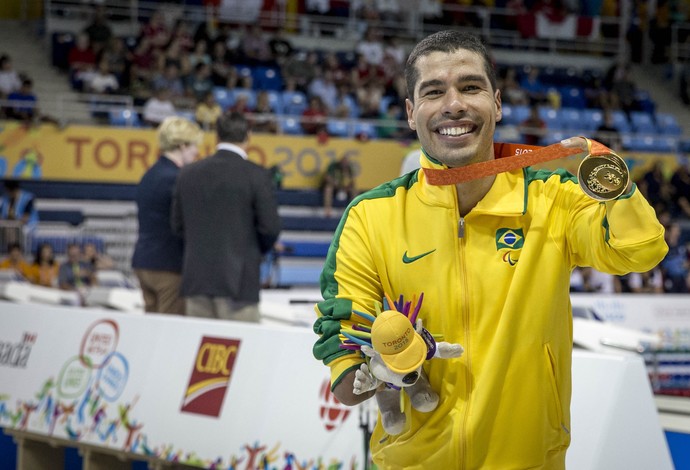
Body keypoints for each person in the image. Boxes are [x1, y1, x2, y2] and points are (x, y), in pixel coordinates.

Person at [312, 30, 668, 470]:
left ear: (497, 104)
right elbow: (346, 370)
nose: (454, 104)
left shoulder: (550, 200)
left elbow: (640, 251)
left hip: (527, 459)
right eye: (434, 91)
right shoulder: (371, 217)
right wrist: (379, 368)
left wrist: (611, 179)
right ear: (410, 113)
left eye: (470, 87)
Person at [171, 112, 281, 322]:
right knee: (243, 352)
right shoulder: (257, 175)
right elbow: (270, 228)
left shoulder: (187, 173)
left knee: (199, 353)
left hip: (197, 282)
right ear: (248, 136)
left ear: (216, 137)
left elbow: (177, 227)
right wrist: (252, 253)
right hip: (239, 284)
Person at [132, 116, 202, 315]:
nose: (197, 152)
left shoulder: (150, 174)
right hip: (169, 266)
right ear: (181, 145)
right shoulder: (178, 178)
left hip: (144, 262)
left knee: (153, 329)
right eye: (193, 146)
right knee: (172, 332)